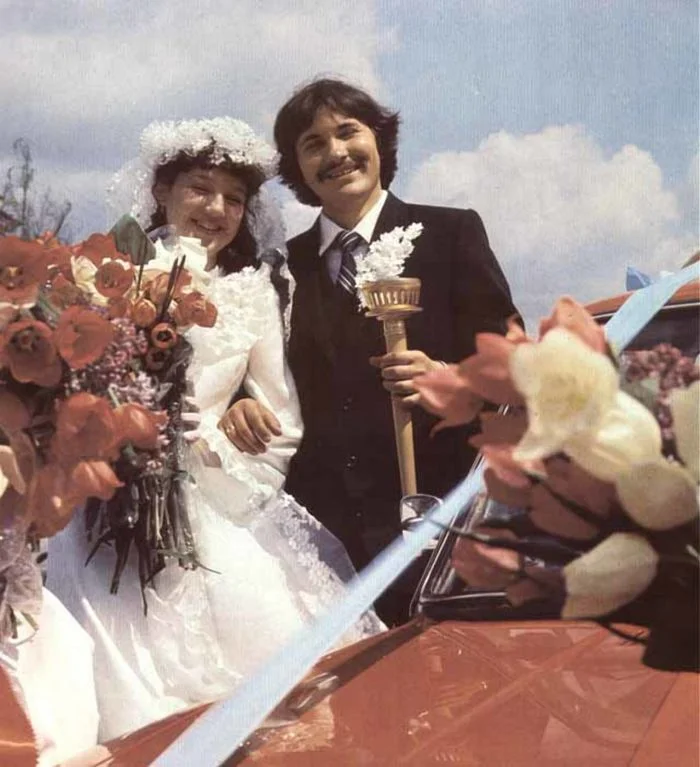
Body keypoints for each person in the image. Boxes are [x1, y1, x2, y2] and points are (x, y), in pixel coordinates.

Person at [47, 117, 383, 741]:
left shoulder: (254, 292)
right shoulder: (103, 274)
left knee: (268, 690)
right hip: (100, 504)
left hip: (211, 503)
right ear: (163, 191)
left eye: (235, 198)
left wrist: (214, 438)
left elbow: (282, 422)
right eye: (200, 189)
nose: (217, 209)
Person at [225, 78, 520, 626]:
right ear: (297, 168)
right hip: (321, 542)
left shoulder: (450, 233)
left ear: (379, 140)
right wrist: (238, 401)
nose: (335, 152)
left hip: (437, 529)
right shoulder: (279, 267)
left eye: (347, 132)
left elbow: (515, 367)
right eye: (313, 144)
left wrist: (451, 378)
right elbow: (248, 367)